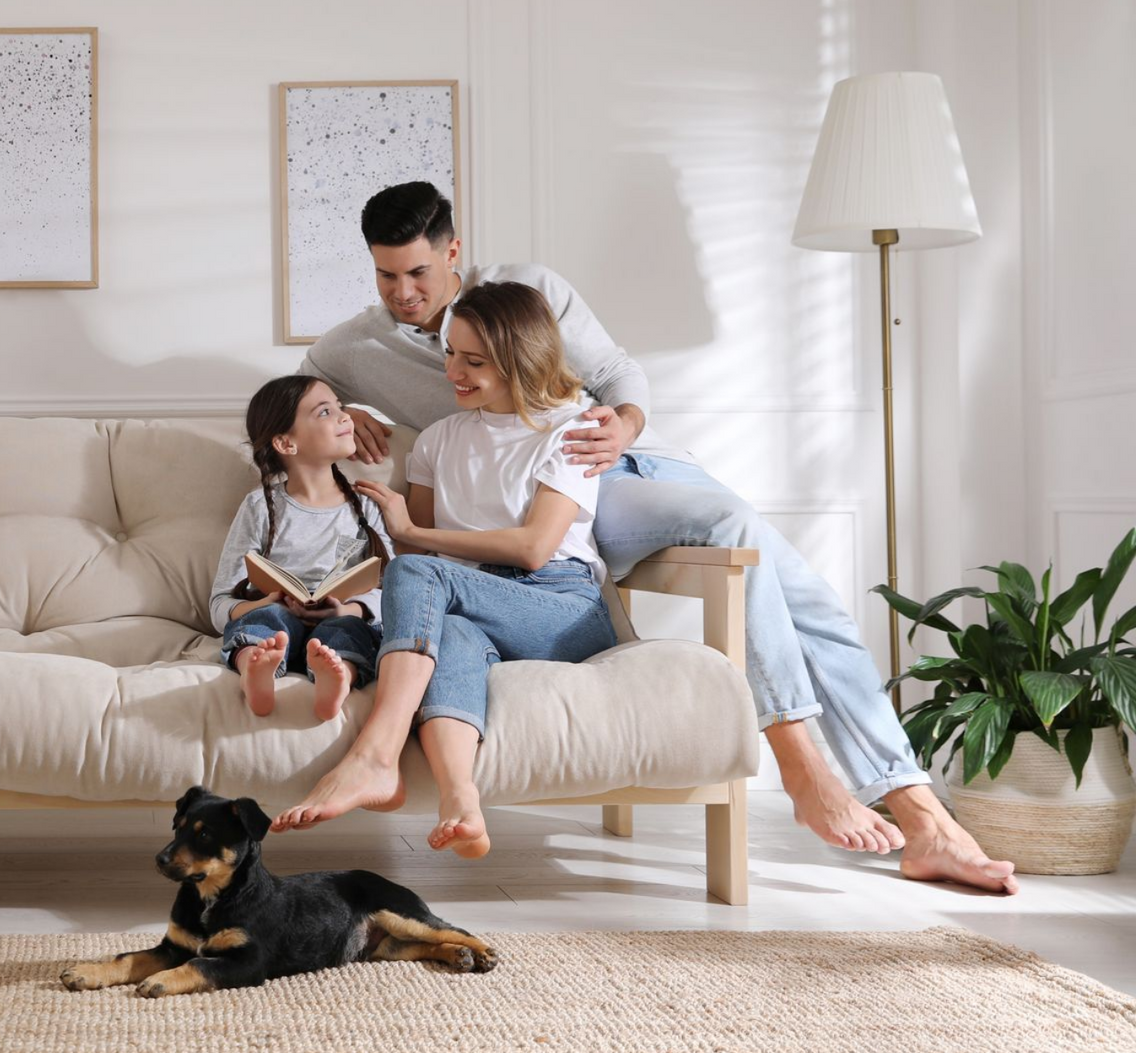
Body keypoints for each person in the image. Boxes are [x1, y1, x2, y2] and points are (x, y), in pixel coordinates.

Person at [279, 180, 1019, 894]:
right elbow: (302, 384)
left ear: (452, 251)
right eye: (385, 277)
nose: (404, 292)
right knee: (755, 557)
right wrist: (343, 406)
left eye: (417, 271)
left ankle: (876, 796)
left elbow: (617, 374)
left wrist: (620, 428)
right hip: (544, 504)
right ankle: (877, 802)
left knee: (799, 593)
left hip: (615, 468)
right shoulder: (362, 347)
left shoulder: (527, 290)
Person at [293, 281, 618, 859]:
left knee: (427, 579)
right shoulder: (439, 441)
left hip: (560, 607)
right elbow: (416, 566)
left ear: (521, 359)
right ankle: (461, 800)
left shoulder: (573, 430)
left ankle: (374, 756)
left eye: (474, 361)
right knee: (455, 633)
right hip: (473, 603)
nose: (453, 373)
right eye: (450, 354)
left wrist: (411, 535)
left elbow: (535, 547)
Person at [210, 376, 393, 721]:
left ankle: (338, 679)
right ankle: (256, 668)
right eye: (326, 411)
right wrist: (265, 602)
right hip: (278, 622)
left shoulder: (365, 506)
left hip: (340, 620)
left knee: (349, 633)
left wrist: (348, 611)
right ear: (286, 443)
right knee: (267, 619)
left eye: (340, 406)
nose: (345, 417)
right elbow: (219, 604)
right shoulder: (259, 507)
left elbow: (396, 594)